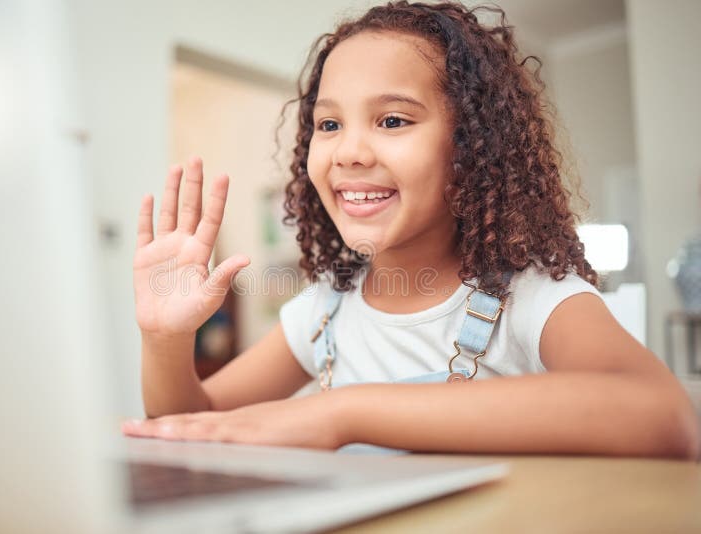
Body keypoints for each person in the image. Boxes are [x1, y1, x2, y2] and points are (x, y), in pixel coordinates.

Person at [122, 1, 699, 458]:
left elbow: (665, 416)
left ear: (472, 146)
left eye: (392, 120)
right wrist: (165, 338)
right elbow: (188, 423)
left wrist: (342, 413)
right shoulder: (324, 311)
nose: (348, 151)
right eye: (329, 124)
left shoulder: (533, 299)